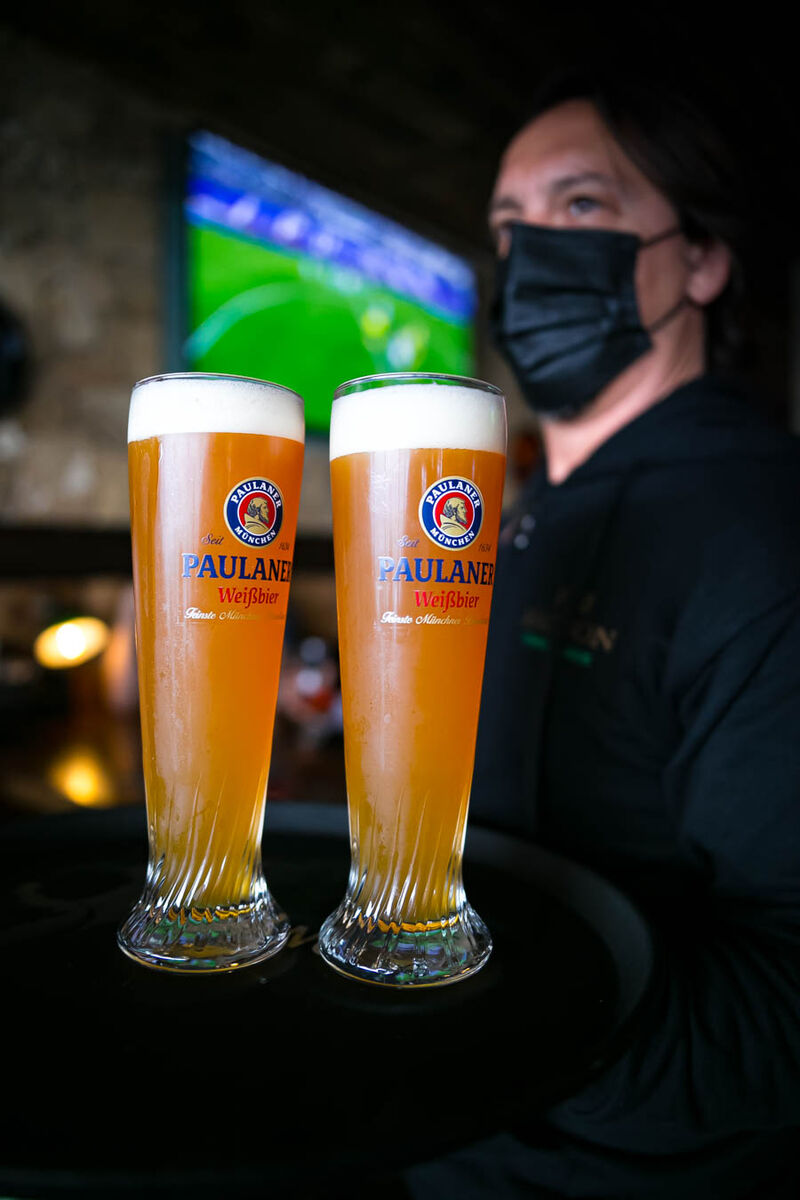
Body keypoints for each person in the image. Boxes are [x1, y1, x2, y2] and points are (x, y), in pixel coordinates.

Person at [405, 73, 800, 1199]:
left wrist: (474, 1000)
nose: (530, 252)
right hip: (440, 1132)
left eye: (579, 206)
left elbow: (781, 1011)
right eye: (507, 225)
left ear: (702, 260)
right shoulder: (534, 510)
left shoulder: (759, 531)